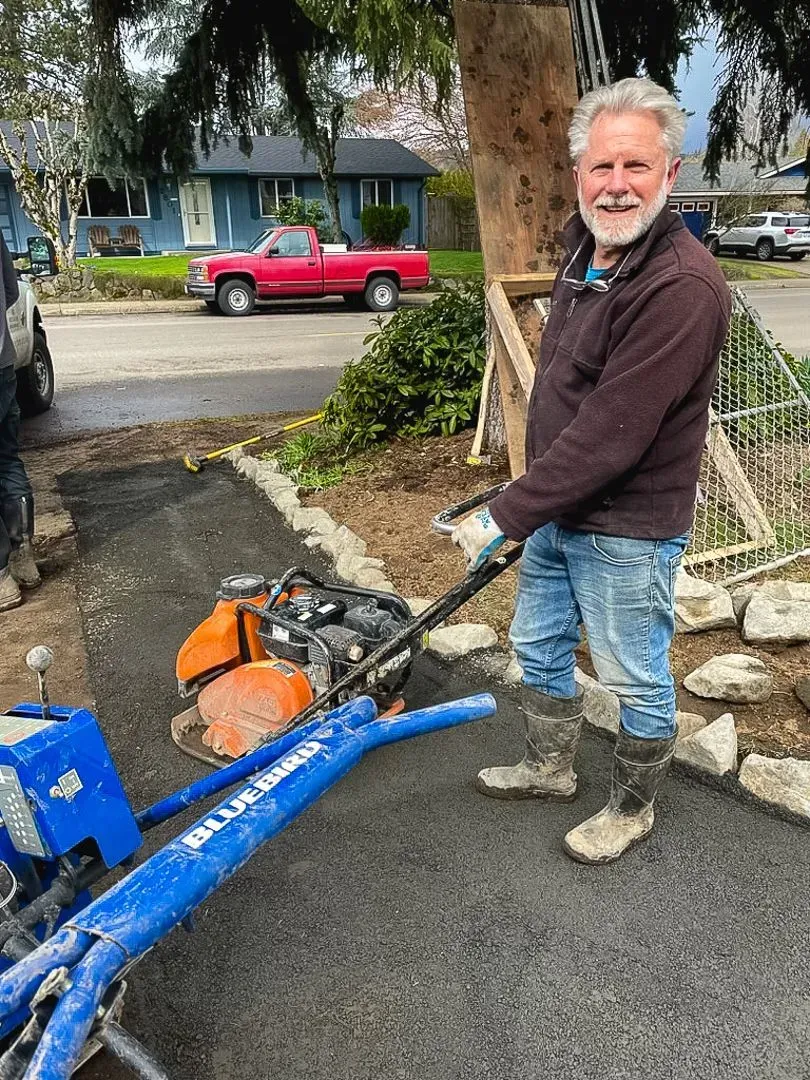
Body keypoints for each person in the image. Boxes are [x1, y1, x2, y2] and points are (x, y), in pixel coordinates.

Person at [452, 77, 731, 865]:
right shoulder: (590, 245)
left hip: (628, 530)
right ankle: (548, 768)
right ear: (579, 174)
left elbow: (614, 434)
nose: (615, 185)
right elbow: (573, 394)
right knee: (538, 644)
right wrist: (532, 502)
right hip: (561, 507)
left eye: (636, 167)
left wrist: (505, 512)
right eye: (601, 167)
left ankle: (632, 807)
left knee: (633, 674)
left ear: (670, 175)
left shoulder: (679, 287)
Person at [0, 232, 40, 612]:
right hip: (1, 363)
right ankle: (23, 553)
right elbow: (10, 290)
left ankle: (1, 577)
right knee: (7, 457)